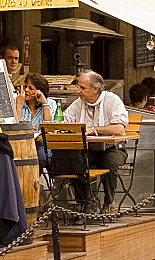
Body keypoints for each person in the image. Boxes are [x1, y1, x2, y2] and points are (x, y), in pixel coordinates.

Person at [58, 70, 128, 215]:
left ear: (95, 89)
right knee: (74, 162)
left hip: (112, 148)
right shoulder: (78, 104)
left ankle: (109, 202)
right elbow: (63, 122)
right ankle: (85, 201)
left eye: (82, 88)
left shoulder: (112, 100)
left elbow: (119, 127)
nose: (78, 91)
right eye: (78, 87)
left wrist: (95, 129)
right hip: (87, 149)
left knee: (109, 162)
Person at [15, 73, 56, 168]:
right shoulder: (20, 102)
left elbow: (49, 127)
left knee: (42, 158)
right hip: (22, 144)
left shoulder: (50, 103)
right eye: (25, 87)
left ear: (39, 91)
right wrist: (18, 105)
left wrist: (44, 103)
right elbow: (15, 127)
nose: (26, 90)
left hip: (41, 144)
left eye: (30, 88)